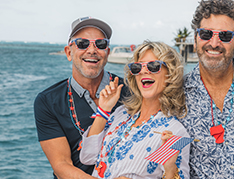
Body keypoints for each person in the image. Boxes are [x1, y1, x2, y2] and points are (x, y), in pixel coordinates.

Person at [181, 0, 234, 178]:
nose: (214, 43)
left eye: (225, 36)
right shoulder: (176, 93)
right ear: (196, 40)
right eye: (205, 34)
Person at [79, 41, 190, 179]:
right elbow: (87, 157)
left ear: (170, 74)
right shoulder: (121, 114)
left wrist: (170, 169)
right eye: (137, 67)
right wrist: (103, 110)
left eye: (153, 66)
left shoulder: (176, 133)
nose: (143, 71)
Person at [34, 17, 128, 178]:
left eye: (100, 44)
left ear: (107, 53)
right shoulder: (47, 101)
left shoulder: (130, 90)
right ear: (69, 52)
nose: (92, 50)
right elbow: (61, 165)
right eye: (83, 43)